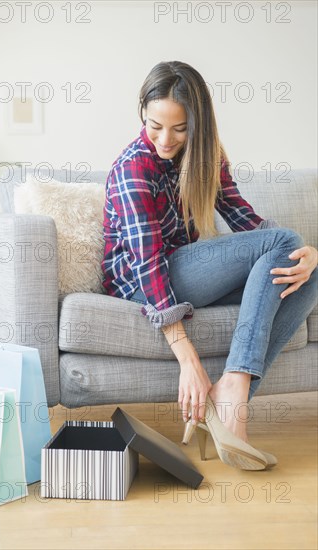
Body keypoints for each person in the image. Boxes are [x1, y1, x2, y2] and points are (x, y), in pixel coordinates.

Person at [101, 61, 318, 470]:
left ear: (197, 125)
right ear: (142, 114)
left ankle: (231, 391)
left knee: (304, 271)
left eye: (179, 129)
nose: (166, 139)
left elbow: (246, 222)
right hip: (140, 284)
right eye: (154, 125)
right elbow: (148, 265)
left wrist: (310, 253)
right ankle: (233, 403)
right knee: (287, 243)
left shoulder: (206, 156)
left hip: (183, 273)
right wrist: (188, 359)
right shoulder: (133, 167)